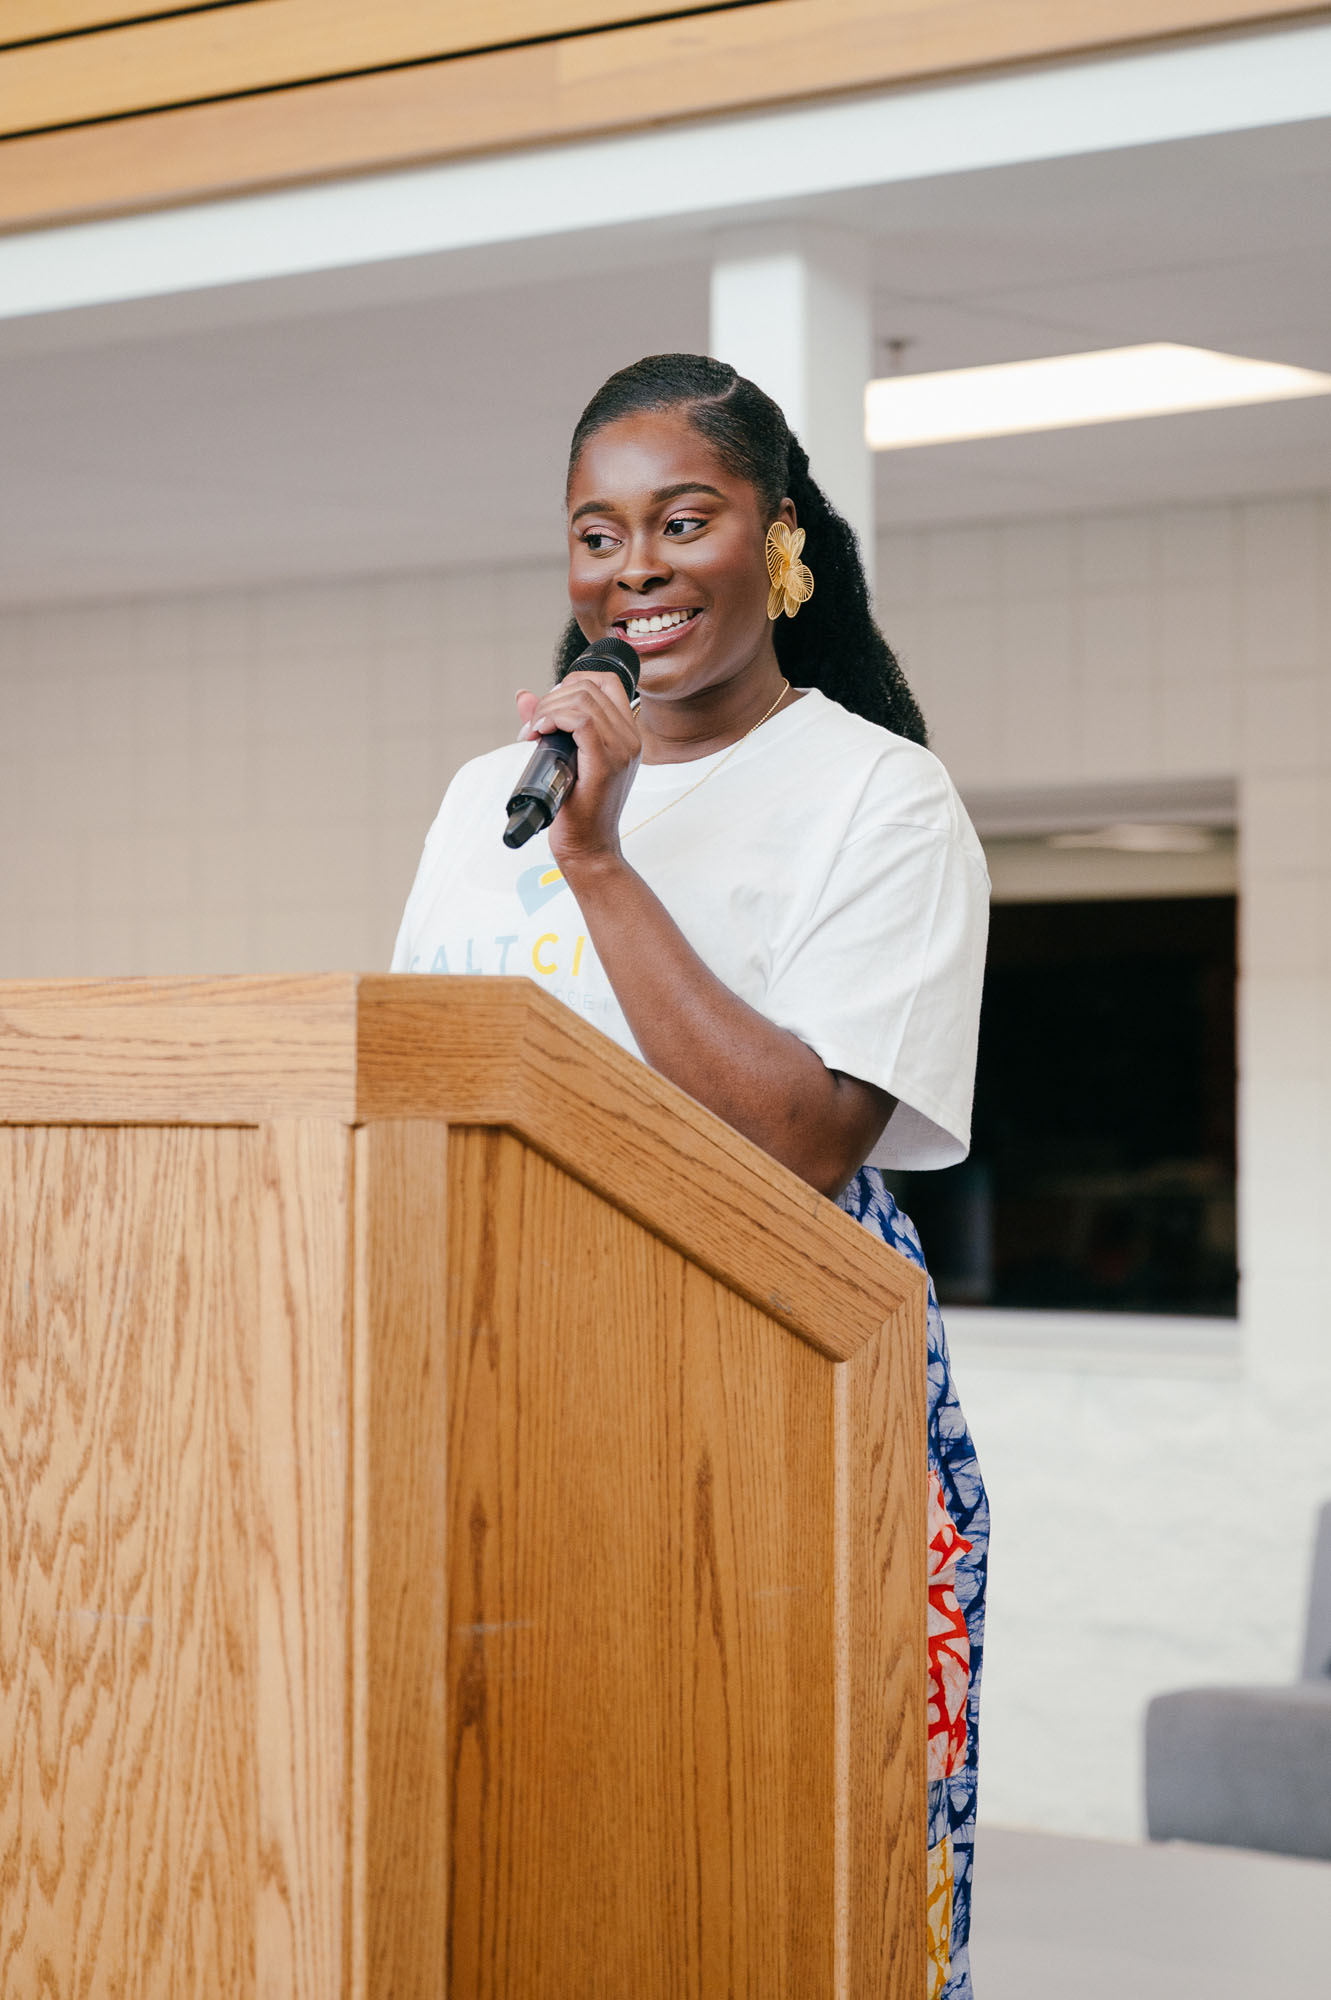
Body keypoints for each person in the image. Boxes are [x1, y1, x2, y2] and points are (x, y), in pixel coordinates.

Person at [393, 352, 989, 2000]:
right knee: (549, 1870)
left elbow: (800, 1144)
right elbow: (424, 1089)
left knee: (773, 1880)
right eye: (597, 532)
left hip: (776, 1398)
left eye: (684, 518)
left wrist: (599, 860)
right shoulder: (479, 800)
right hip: (514, 1401)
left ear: (781, 544)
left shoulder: (881, 797)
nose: (633, 566)